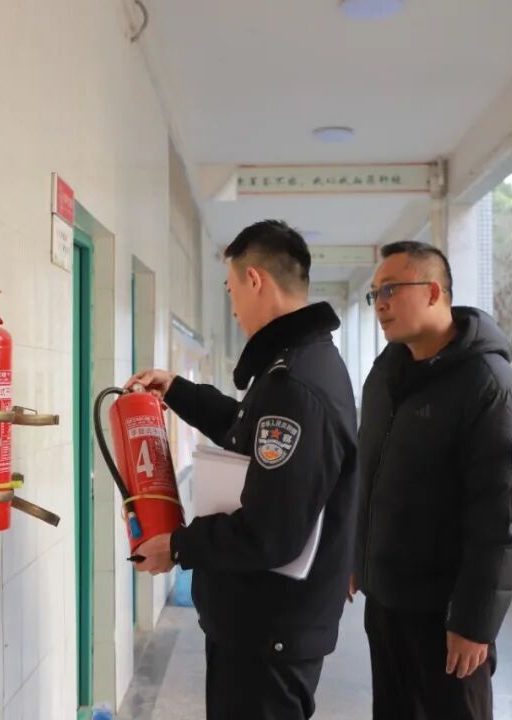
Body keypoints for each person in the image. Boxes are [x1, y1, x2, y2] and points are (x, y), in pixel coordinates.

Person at [127, 220, 357, 720]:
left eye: (231, 289)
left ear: (255, 280)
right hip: (264, 625)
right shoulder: (296, 365)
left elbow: (272, 534)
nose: (232, 306)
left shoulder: (297, 384)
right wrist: (179, 391)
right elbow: (247, 432)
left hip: (269, 633)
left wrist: (179, 546)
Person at [351, 241, 512, 720]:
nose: (380, 304)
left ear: (433, 292)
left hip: (447, 613)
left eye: (390, 289)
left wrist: (474, 622)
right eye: (374, 294)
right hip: (386, 602)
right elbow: (369, 477)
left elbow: (502, 516)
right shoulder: (385, 375)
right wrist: (358, 555)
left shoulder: (490, 385)